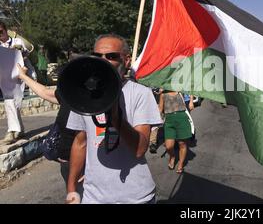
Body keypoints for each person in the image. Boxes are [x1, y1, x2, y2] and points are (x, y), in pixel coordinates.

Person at [65, 34, 163, 204]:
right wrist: (71, 188)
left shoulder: (141, 94)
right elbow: (80, 142)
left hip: (136, 198)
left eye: (111, 56)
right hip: (93, 198)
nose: (103, 61)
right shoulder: (83, 95)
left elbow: (140, 149)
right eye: (97, 56)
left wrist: (116, 117)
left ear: (126, 60)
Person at [15, 48, 84, 197]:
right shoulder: (68, 93)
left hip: (85, 167)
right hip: (66, 164)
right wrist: (23, 76)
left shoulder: (99, 101)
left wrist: (92, 168)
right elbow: (45, 92)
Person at [0, 21, 27, 143]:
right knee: (10, 102)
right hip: (4, 78)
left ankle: (14, 131)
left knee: (13, 102)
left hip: (18, 76)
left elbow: (26, 54)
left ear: (6, 30)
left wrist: (19, 50)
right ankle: (15, 130)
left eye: (1, 31)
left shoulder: (17, 42)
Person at [159, 90, 193, 174]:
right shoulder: (163, 93)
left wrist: (191, 101)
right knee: (169, 146)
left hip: (182, 119)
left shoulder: (180, 90)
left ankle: (180, 164)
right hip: (169, 121)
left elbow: (191, 88)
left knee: (182, 144)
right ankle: (172, 156)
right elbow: (160, 109)